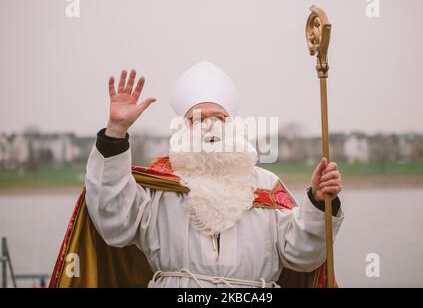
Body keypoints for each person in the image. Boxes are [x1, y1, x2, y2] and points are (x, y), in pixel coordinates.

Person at [54, 61, 344, 288]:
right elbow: (113, 221)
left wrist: (319, 203)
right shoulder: (160, 187)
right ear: (183, 129)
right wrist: (115, 132)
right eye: (197, 119)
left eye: (218, 118)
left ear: (234, 127)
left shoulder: (266, 186)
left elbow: (303, 254)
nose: (208, 127)